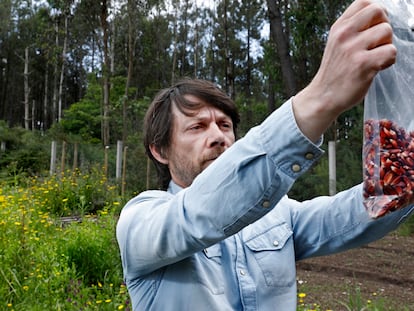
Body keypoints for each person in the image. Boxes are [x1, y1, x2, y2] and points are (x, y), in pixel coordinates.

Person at [116, 0, 413, 310]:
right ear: (159, 150)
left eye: (225, 125)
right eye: (197, 127)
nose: (218, 137)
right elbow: (199, 215)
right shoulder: (141, 222)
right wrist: (320, 97)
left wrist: (406, 169)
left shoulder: (278, 217)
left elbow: (352, 215)